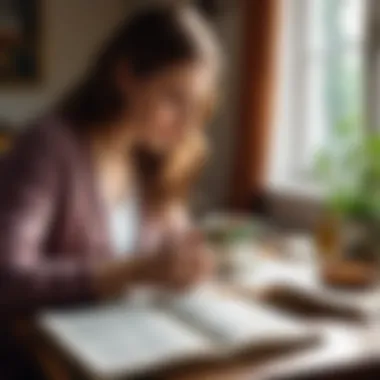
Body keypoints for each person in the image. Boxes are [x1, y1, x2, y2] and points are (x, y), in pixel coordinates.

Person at [0, 3, 221, 378]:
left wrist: (187, 264)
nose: (186, 125)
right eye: (172, 99)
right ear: (126, 76)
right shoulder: (50, 148)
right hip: (41, 365)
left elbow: (170, 254)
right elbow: (7, 278)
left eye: (195, 105)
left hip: (131, 356)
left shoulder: (155, 158)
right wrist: (134, 271)